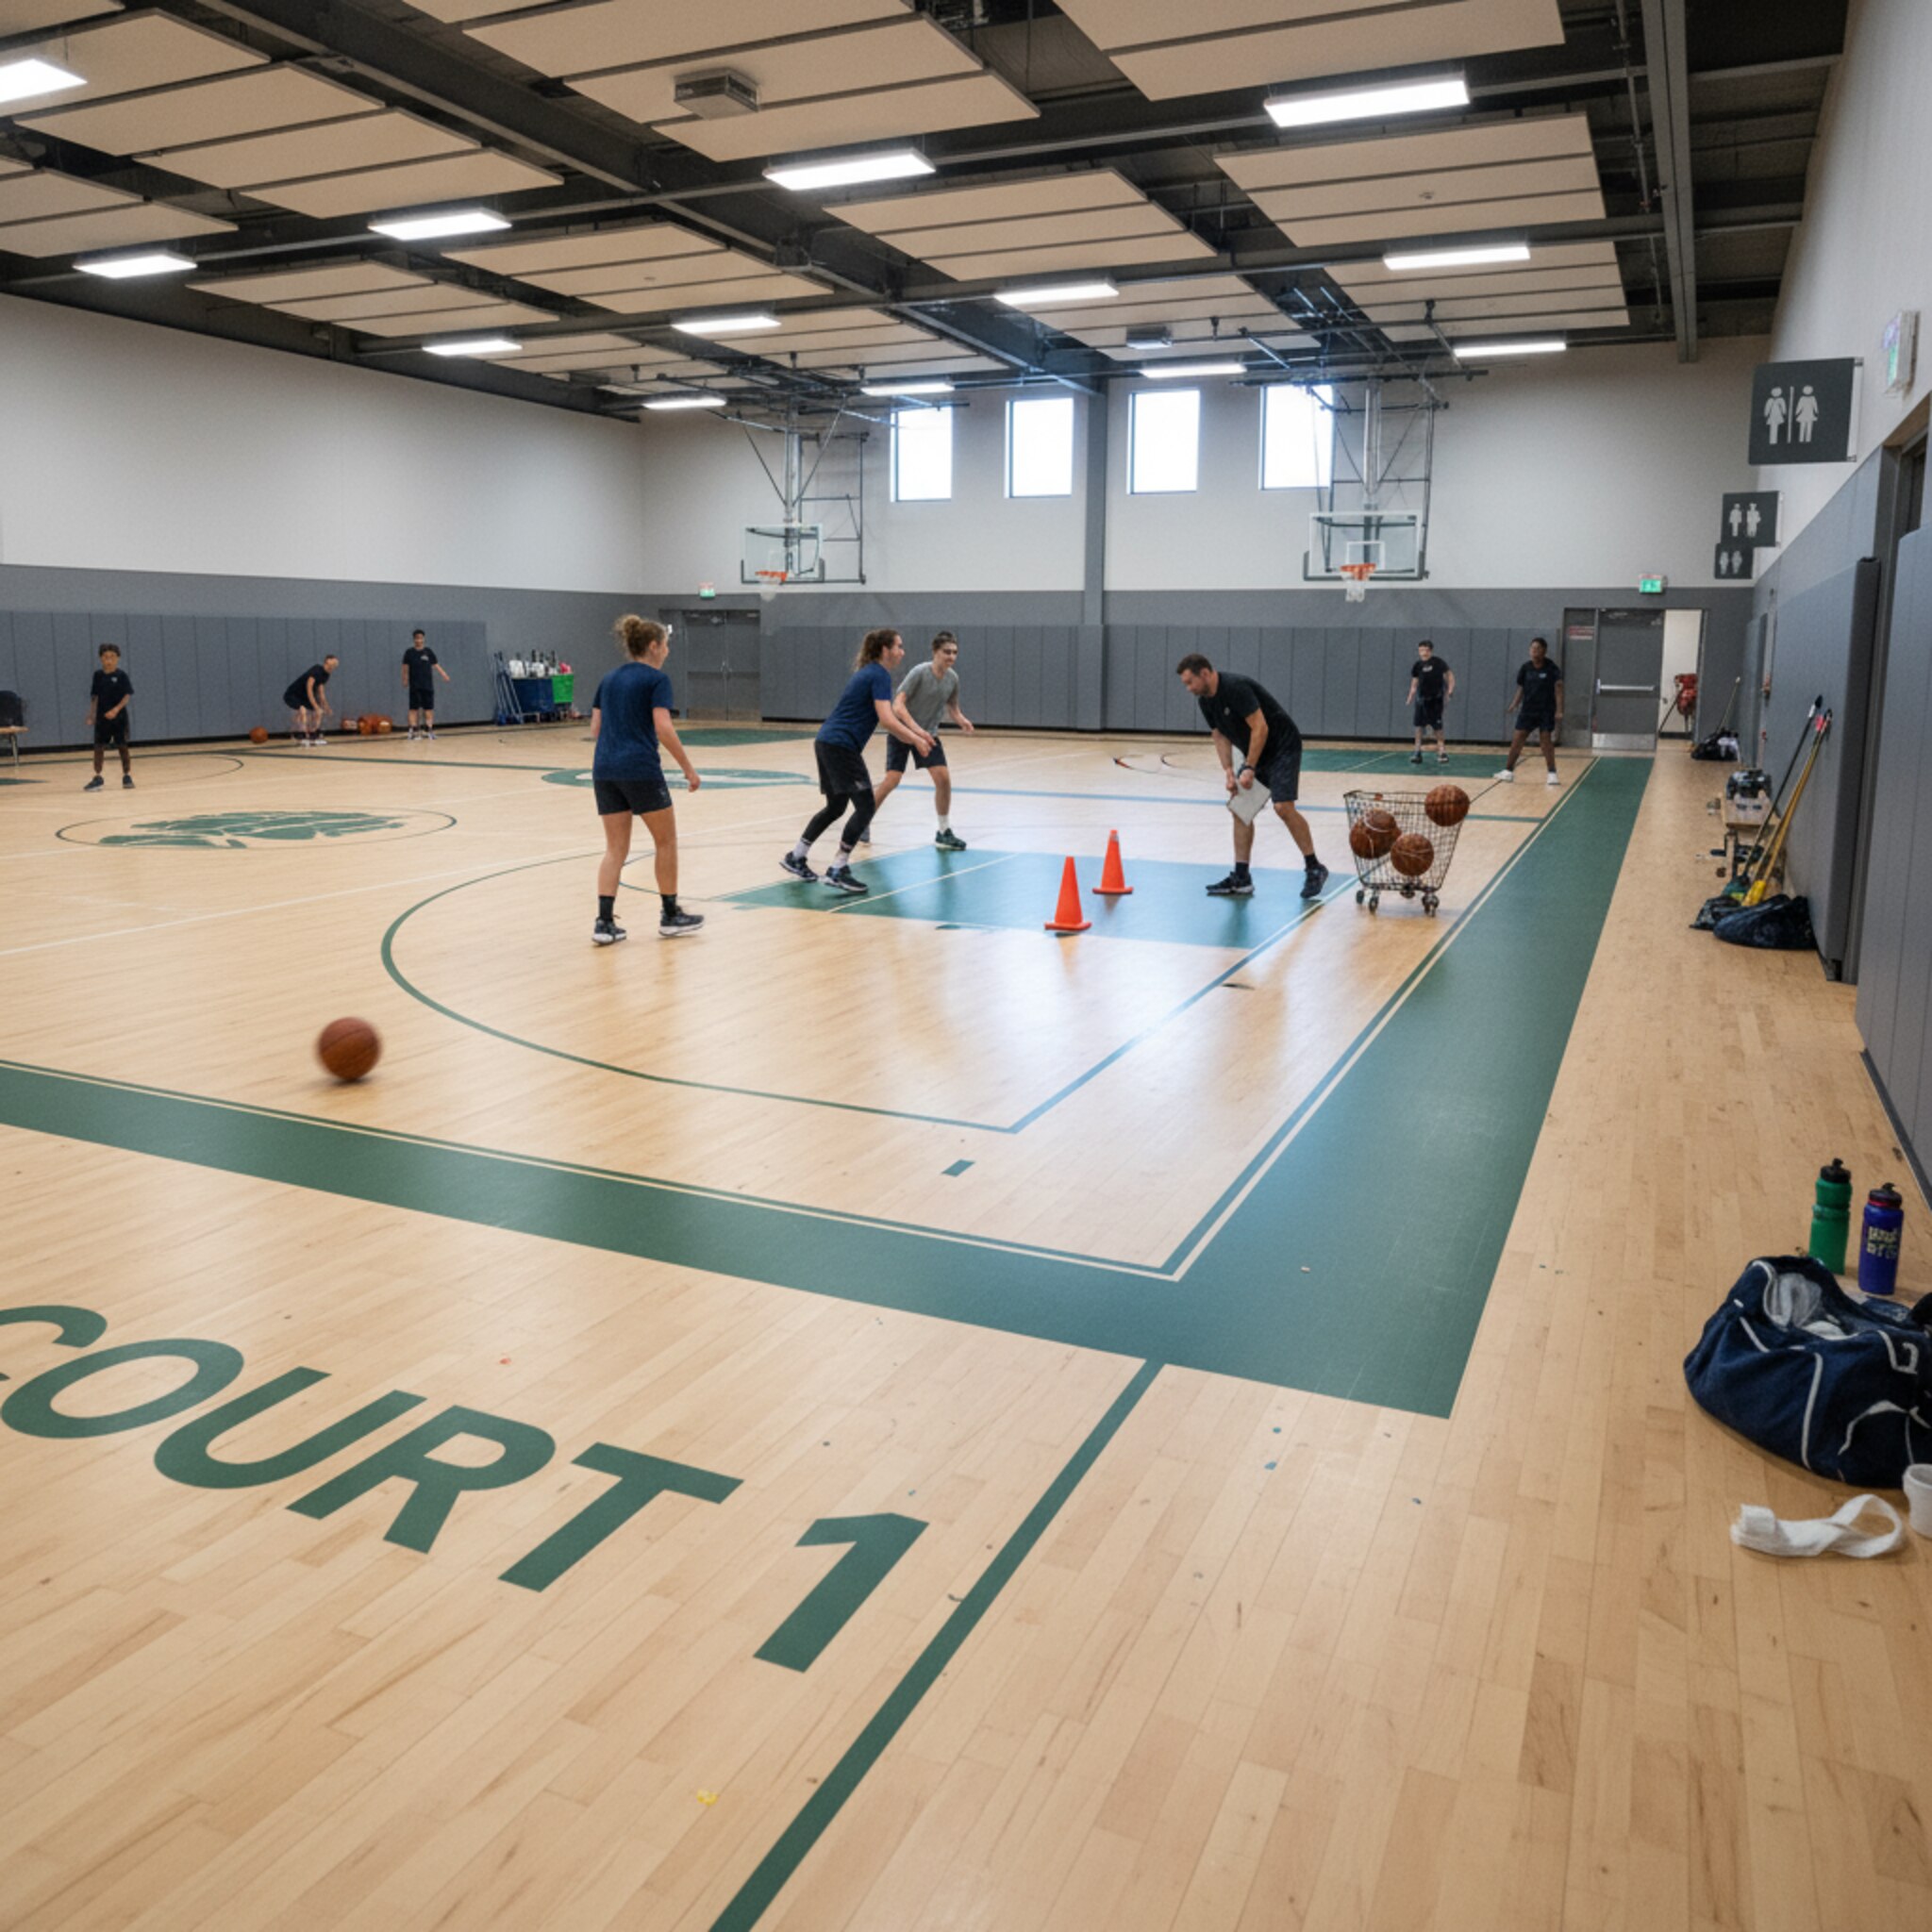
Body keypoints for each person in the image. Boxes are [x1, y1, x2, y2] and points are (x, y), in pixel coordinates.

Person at [782, 628, 933, 896]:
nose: (902, 652)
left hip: (826, 742)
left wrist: (918, 734)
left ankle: (797, 855)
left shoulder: (869, 674)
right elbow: (887, 719)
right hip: (841, 746)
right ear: (885, 650)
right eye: (898, 646)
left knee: (836, 807)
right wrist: (915, 741)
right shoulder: (879, 675)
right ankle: (838, 868)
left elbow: (889, 718)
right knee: (865, 806)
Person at [1175, 652, 1329, 900]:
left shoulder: (1235, 688)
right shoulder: (1205, 700)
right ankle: (1241, 877)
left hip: (1282, 747)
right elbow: (1220, 736)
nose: (1188, 688)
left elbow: (1261, 727)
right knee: (1240, 811)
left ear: (1204, 673)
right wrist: (1228, 771)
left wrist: (1249, 767)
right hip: (1256, 753)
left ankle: (1315, 868)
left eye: (1189, 682)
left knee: (1283, 807)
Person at [590, 615, 702, 944]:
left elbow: (595, 730)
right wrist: (688, 769)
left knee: (615, 849)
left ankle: (604, 923)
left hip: (604, 770)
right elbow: (663, 726)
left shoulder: (608, 679)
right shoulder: (656, 679)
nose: (667, 651)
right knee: (666, 842)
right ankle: (670, 915)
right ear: (653, 646)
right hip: (639, 768)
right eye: (665, 645)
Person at [872, 630, 973, 850]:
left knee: (943, 779)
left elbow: (952, 707)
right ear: (935, 652)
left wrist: (961, 720)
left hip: (929, 735)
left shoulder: (952, 678)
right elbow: (898, 705)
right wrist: (916, 731)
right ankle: (862, 821)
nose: (951, 657)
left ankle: (944, 831)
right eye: (947, 652)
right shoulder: (919, 672)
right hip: (903, 732)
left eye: (955, 653)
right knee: (892, 780)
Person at [1496, 637, 1564, 785]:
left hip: (1546, 710)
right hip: (1528, 710)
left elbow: (1558, 689)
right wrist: (1514, 704)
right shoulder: (1525, 668)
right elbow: (1521, 688)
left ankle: (1552, 774)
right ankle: (1508, 771)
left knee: (1545, 742)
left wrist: (1559, 710)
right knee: (1517, 740)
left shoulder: (1552, 668)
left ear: (1544, 651)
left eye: (1538, 648)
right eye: (1532, 648)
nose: (1534, 651)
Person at [84, 642, 133, 791]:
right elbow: (95, 697)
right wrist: (91, 714)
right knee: (99, 746)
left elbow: (127, 695)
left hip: (119, 717)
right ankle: (97, 776)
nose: (109, 660)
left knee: (122, 746)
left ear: (117, 658)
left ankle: (127, 775)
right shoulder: (98, 676)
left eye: (112, 657)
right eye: (106, 657)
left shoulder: (121, 675)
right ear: (101, 659)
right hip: (102, 717)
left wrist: (116, 710)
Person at [1406, 639, 1455, 765]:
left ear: (1430, 651)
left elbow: (1449, 675)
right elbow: (1414, 681)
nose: (1423, 653)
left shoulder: (1438, 662)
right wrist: (1411, 694)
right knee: (1419, 726)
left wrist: (1450, 689)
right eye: (1421, 650)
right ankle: (1417, 752)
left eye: (1426, 650)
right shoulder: (1417, 665)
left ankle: (1442, 752)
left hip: (1436, 700)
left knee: (1437, 727)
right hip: (1421, 700)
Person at [402, 629, 450, 740]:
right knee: (414, 708)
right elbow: (405, 667)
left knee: (429, 708)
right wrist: (404, 679)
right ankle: (413, 731)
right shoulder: (409, 653)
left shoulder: (428, 652)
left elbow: (436, 665)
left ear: (423, 639)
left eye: (421, 638)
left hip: (427, 685)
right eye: (417, 638)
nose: (419, 640)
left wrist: (444, 674)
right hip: (415, 685)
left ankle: (429, 730)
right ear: (414, 639)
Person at [283, 654, 338, 746]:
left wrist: (326, 706)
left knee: (319, 712)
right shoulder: (316, 670)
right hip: (293, 694)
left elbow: (321, 693)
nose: (335, 666)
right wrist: (315, 705)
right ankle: (302, 735)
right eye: (334, 663)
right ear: (327, 662)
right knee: (303, 710)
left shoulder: (326, 675)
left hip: (304, 697)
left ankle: (313, 735)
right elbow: (309, 689)